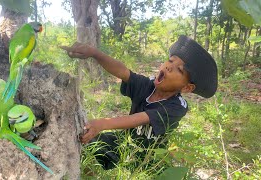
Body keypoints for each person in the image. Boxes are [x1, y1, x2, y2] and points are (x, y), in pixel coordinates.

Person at [60, 35, 218, 170]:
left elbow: (139, 118)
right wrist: (94, 53)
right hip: (123, 144)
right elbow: (123, 72)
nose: (169, 67)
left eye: (179, 70)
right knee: (87, 143)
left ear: (187, 87)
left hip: (144, 158)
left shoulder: (176, 107)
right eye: (170, 61)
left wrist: (102, 123)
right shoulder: (147, 86)